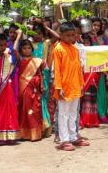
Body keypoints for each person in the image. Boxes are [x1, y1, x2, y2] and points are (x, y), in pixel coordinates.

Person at [53, 22, 89, 151]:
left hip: (75, 86)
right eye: (67, 35)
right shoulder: (58, 49)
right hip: (64, 87)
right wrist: (59, 87)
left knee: (74, 112)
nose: (71, 38)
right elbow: (56, 70)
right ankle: (64, 140)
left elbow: (79, 69)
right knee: (63, 114)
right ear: (61, 35)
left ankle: (73, 136)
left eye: (73, 35)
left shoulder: (75, 49)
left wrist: (81, 84)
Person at [16, 37, 46, 141]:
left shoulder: (37, 61)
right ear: (21, 50)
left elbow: (40, 74)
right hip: (23, 89)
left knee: (35, 109)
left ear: (32, 49)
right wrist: (19, 36)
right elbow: (14, 50)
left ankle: (35, 134)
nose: (27, 50)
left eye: (29, 48)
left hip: (34, 89)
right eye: (24, 48)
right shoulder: (19, 60)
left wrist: (41, 84)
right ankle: (24, 134)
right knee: (24, 110)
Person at [32, 23, 53, 137]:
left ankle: (47, 126)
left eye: (40, 33)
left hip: (44, 74)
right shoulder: (30, 44)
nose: (37, 35)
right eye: (35, 33)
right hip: (32, 74)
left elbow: (57, 37)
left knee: (43, 99)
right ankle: (39, 126)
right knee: (35, 101)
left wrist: (47, 28)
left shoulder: (46, 43)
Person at [80, 34, 101, 128]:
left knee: (92, 99)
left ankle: (92, 120)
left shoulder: (94, 54)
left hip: (93, 78)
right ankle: (85, 120)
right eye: (84, 43)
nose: (86, 44)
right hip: (84, 78)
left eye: (87, 42)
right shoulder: (79, 53)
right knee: (85, 99)